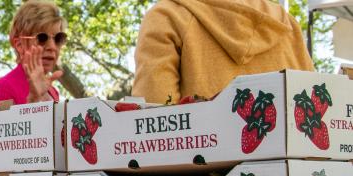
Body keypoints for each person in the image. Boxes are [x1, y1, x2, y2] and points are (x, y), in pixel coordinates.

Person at [132, 0, 315, 104]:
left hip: (201, 168)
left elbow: (151, 123)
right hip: (287, 170)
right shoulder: (286, 24)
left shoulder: (165, 17)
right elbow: (312, 110)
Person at [0, 0, 66, 108]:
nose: (52, 47)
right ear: (19, 45)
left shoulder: (53, 91)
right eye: (41, 38)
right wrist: (33, 100)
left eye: (58, 38)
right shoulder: (3, 89)